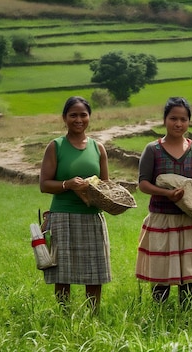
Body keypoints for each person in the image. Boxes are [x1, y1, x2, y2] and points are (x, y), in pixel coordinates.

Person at [135, 97, 192, 309]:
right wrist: (166, 194)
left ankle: (186, 315)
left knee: (189, 273)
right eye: (173, 119)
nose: (178, 124)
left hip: (190, 219)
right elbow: (143, 184)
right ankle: (159, 313)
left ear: (189, 121)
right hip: (162, 219)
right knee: (162, 271)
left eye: (183, 119)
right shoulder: (153, 150)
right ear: (164, 120)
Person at [39, 96, 111, 314]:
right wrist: (67, 184)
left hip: (91, 215)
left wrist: (95, 191)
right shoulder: (56, 146)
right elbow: (44, 185)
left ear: (89, 117)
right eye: (73, 115)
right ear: (64, 118)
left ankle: (93, 314)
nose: (78, 119)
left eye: (83, 115)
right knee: (63, 272)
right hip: (62, 216)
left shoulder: (98, 148)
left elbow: (106, 186)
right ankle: (64, 314)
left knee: (95, 270)